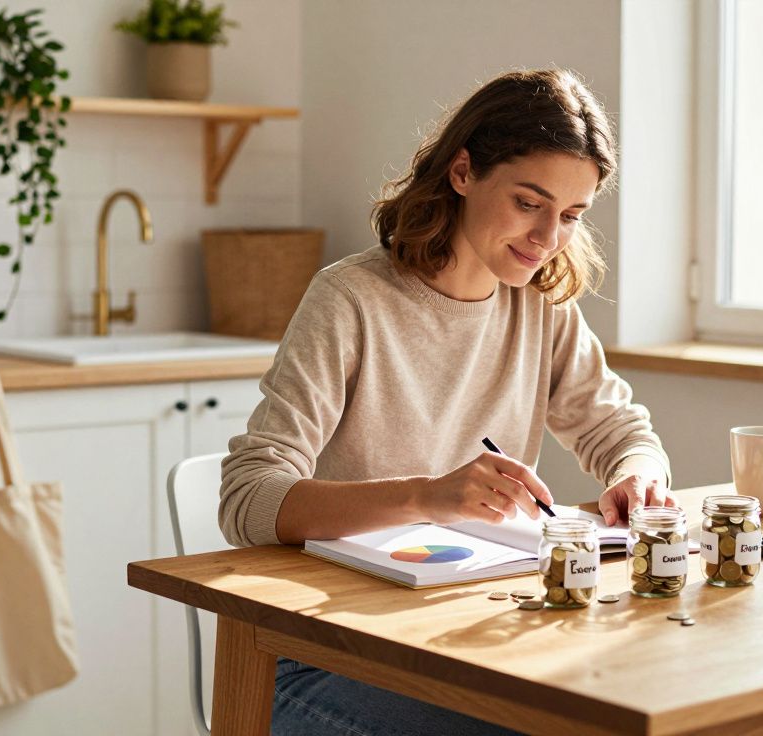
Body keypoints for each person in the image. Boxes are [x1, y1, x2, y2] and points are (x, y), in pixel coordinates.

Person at [220, 68, 674, 735]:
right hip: (327, 657)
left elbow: (619, 427)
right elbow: (247, 500)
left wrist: (641, 476)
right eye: (529, 203)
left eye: (571, 216)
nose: (549, 237)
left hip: (464, 638)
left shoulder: (539, 306)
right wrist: (428, 495)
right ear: (463, 172)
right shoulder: (349, 300)